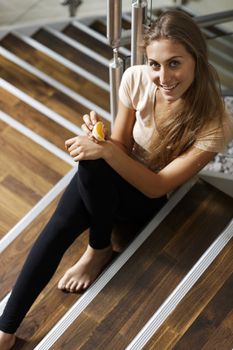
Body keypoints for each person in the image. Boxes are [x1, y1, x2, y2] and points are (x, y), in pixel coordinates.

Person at [0, 9, 233, 350]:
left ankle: (98, 249)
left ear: (197, 59)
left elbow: (158, 186)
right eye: (155, 64)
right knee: (72, 203)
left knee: (94, 167)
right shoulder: (135, 78)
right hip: (113, 178)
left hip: (147, 200)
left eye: (174, 63)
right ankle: (5, 330)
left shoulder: (215, 121)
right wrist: (103, 142)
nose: (163, 76)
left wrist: (106, 152)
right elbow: (121, 146)